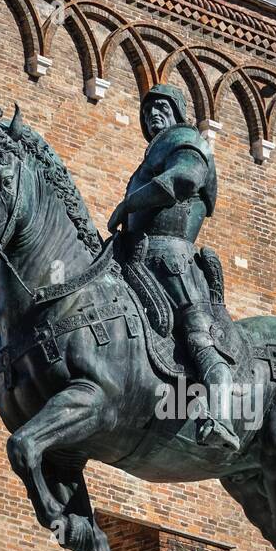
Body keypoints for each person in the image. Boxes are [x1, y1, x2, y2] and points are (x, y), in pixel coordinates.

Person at [106, 84, 239, 452]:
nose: (152, 114)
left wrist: (128, 204)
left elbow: (185, 178)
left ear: (178, 112)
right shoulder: (152, 154)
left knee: (199, 337)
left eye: (161, 107)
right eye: (147, 110)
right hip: (136, 255)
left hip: (173, 256)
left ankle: (222, 417)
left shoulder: (185, 139)